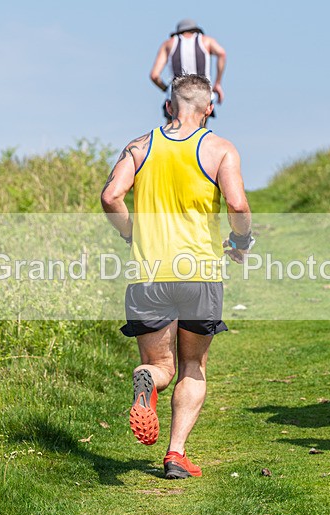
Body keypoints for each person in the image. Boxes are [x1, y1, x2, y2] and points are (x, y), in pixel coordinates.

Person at [100, 74, 252, 478]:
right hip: (200, 273)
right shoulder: (220, 149)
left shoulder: (139, 147)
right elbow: (237, 203)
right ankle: (175, 455)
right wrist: (242, 240)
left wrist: (130, 232)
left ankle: (145, 380)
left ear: (168, 106)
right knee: (192, 366)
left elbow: (110, 196)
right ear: (209, 109)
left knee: (160, 365)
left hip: (147, 273)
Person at [150, 19, 227, 122]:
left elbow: (154, 75)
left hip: (176, 95)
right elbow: (222, 53)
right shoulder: (206, 41)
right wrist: (217, 83)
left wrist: (166, 89)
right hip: (202, 93)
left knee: (171, 134)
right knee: (200, 134)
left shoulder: (169, 44)